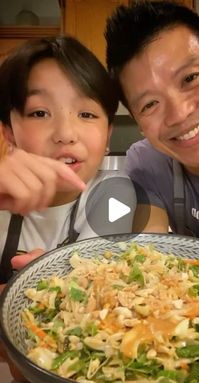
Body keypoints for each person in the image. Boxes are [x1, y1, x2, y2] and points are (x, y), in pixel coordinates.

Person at [0, 35, 136, 284]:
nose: (65, 134)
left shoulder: (116, 193)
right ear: (9, 131)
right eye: (39, 113)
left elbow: (92, 282)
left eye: (86, 113)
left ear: (108, 134)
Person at [105, 0, 199, 246]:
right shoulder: (147, 164)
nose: (179, 114)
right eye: (150, 104)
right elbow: (150, 252)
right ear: (139, 123)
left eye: (190, 78)